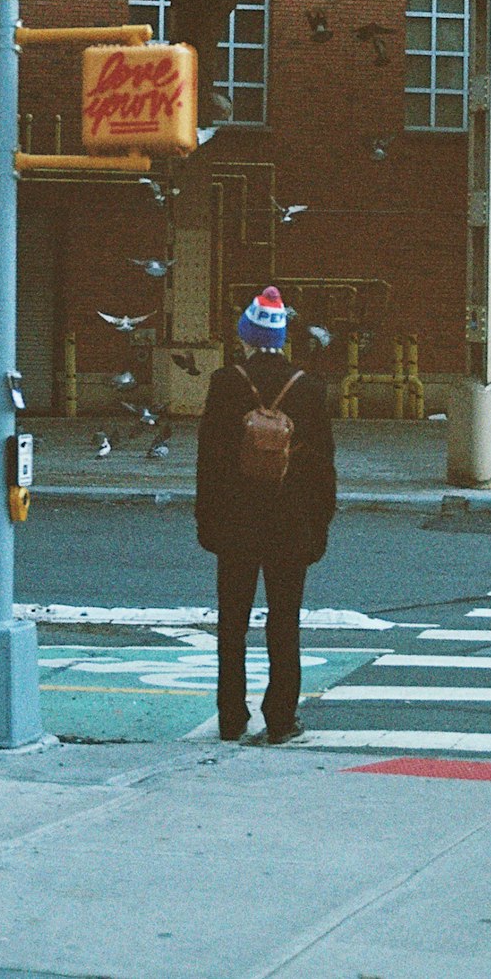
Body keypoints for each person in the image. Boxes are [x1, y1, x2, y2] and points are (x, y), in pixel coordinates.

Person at [195, 286, 337, 744]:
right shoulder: (310, 388)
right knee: (284, 622)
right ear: (283, 338)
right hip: (290, 522)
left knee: (232, 623)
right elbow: (323, 467)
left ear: (246, 337)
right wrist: (319, 527)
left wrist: (207, 521)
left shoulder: (224, 383)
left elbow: (209, 460)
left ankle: (231, 717)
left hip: (236, 521)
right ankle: (280, 718)